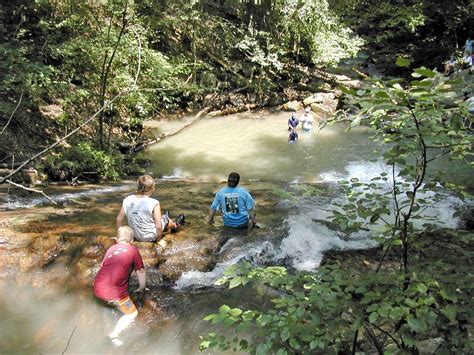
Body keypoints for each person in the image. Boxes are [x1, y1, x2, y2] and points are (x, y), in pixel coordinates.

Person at [93, 226, 146, 346]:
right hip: (115, 295)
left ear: (117, 240)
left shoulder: (111, 249)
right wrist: (142, 287)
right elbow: (141, 271)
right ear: (131, 241)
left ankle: (107, 314)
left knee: (108, 306)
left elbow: (104, 266)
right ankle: (113, 335)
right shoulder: (133, 250)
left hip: (97, 289)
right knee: (132, 314)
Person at [116, 175, 184, 242]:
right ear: (152, 188)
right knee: (165, 219)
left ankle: (166, 221)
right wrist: (158, 240)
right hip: (150, 236)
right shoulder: (154, 202)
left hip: (135, 235)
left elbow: (118, 220)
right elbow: (158, 226)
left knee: (151, 216)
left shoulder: (127, 199)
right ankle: (175, 225)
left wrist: (121, 238)